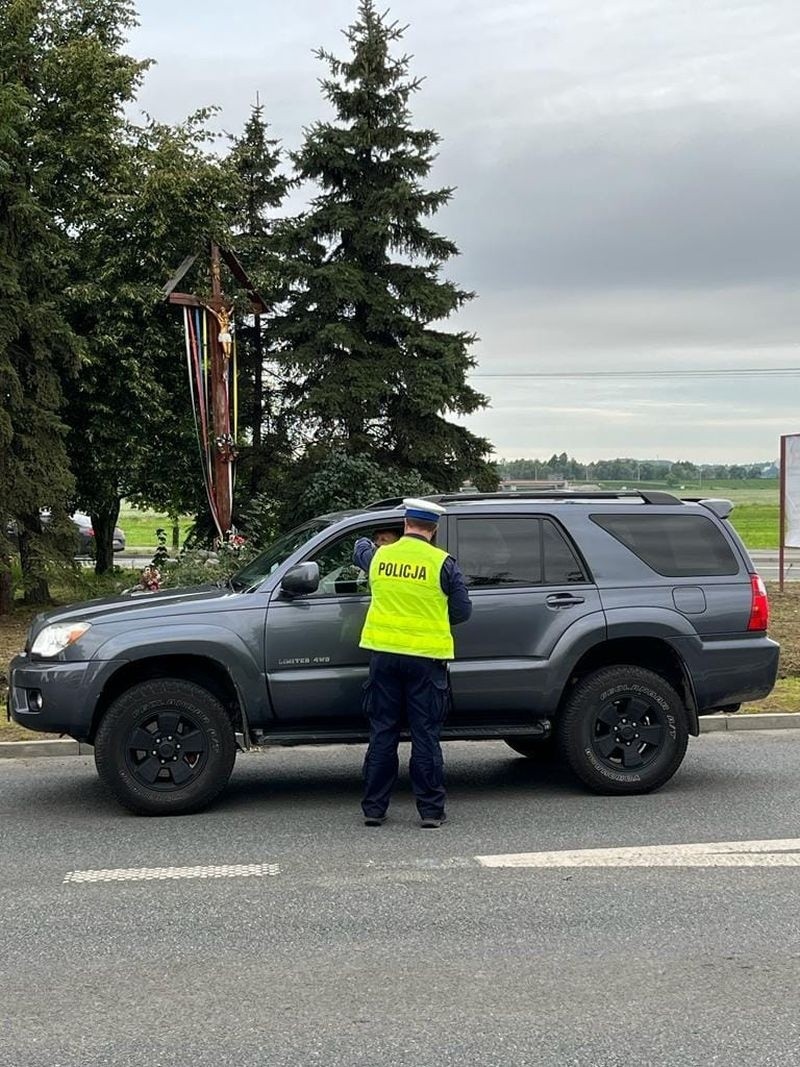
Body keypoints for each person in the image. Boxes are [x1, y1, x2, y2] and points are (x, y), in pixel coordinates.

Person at [353, 498, 472, 828]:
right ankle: (431, 812)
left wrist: (374, 535)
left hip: (384, 656)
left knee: (383, 733)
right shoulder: (442, 563)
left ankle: (374, 809)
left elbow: (358, 547)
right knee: (424, 736)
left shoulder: (380, 557)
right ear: (433, 531)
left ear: (405, 525)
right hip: (425, 660)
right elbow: (462, 611)